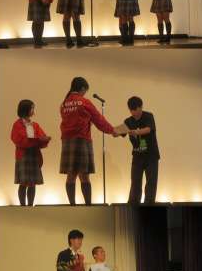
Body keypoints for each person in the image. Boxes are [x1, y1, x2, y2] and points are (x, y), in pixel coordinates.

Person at [60, 77, 118, 205]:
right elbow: (98, 119)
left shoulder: (64, 103)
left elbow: (71, 121)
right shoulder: (84, 102)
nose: (85, 93)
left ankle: (72, 205)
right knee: (84, 175)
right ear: (82, 88)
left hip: (67, 141)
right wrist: (112, 130)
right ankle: (88, 205)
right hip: (82, 140)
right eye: (85, 91)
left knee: (71, 175)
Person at [11, 99, 51, 206]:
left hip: (34, 155)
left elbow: (41, 136)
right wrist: (36, 140)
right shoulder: (17, 124)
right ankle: (23, 206)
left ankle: (30, 206)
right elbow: (18, 139)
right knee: (23, 182)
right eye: (32, 108)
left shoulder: (35, 125)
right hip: (23, 156)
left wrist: (44, 139)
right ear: (26, 109)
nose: (33, 110)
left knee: (32, 183)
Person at [123, 96, 160, 205]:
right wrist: (113, 132)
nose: (134, 112)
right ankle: (133, 206)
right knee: (135, 183)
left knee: (151, 183)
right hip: (137, 156)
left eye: (136, 109)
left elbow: (148, 129)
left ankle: (149, 205)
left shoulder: (148, 116)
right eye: (131, 110)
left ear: (141, 107)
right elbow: (120, 132)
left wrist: (136, 132)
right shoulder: (128, 121)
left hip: (151, 156)